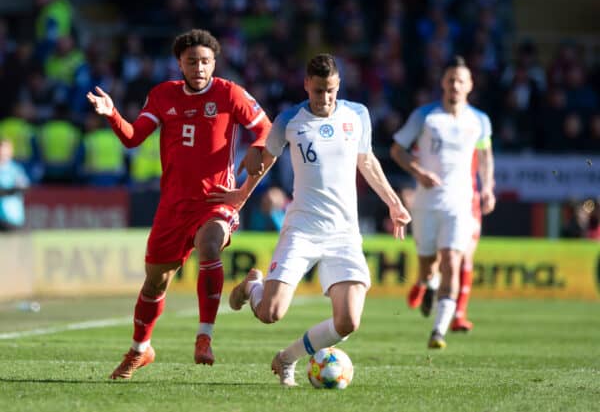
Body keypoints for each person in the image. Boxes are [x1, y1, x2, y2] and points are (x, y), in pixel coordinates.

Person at [86, 29, 272, 379]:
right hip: (173, 206)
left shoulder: (230, 93)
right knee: (155, 283)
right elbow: (133, 138)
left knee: (211, 245)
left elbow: (266, 127)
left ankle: (204, 336)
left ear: (214, 63)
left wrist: (258, 148)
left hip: (216, 198)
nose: (199, 68)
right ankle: (140, 350)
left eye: (205, 61)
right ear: (180, 65)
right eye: (192, 62)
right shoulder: (162, 96)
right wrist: (112, 113)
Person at [225, 54, 411, 387]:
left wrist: (394, 204)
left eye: (331, 91)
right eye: (318, 91)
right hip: (303, 229)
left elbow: (367, 162)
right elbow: (263, 162)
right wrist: (240, 197)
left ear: (338, 85)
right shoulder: (289, 120)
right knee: (270, 313)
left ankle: (286, 359)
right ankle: (252, 285)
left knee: (348, 321)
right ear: (307, 85)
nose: (325, 99)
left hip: (344, 233)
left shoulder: (358, 115)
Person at [390, 55, 495, 349]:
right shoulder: (425, 116)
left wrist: (487, 188)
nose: (455, 86)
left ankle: (438, 330)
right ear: (443, 84)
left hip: (460, 203)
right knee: (428, 266)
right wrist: (417, 171)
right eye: (450, 80)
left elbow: (485, 157)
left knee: (452, 260)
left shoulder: (479, 121)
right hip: (426, 202)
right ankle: (428, 285)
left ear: (470, 85)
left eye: (461, 80)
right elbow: (397, 150)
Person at [0, 138, 30, 231]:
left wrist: (9, 191)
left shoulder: (15, 169)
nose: (3, 153)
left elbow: (24, 186)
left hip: (12, 217)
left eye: (6, 150)